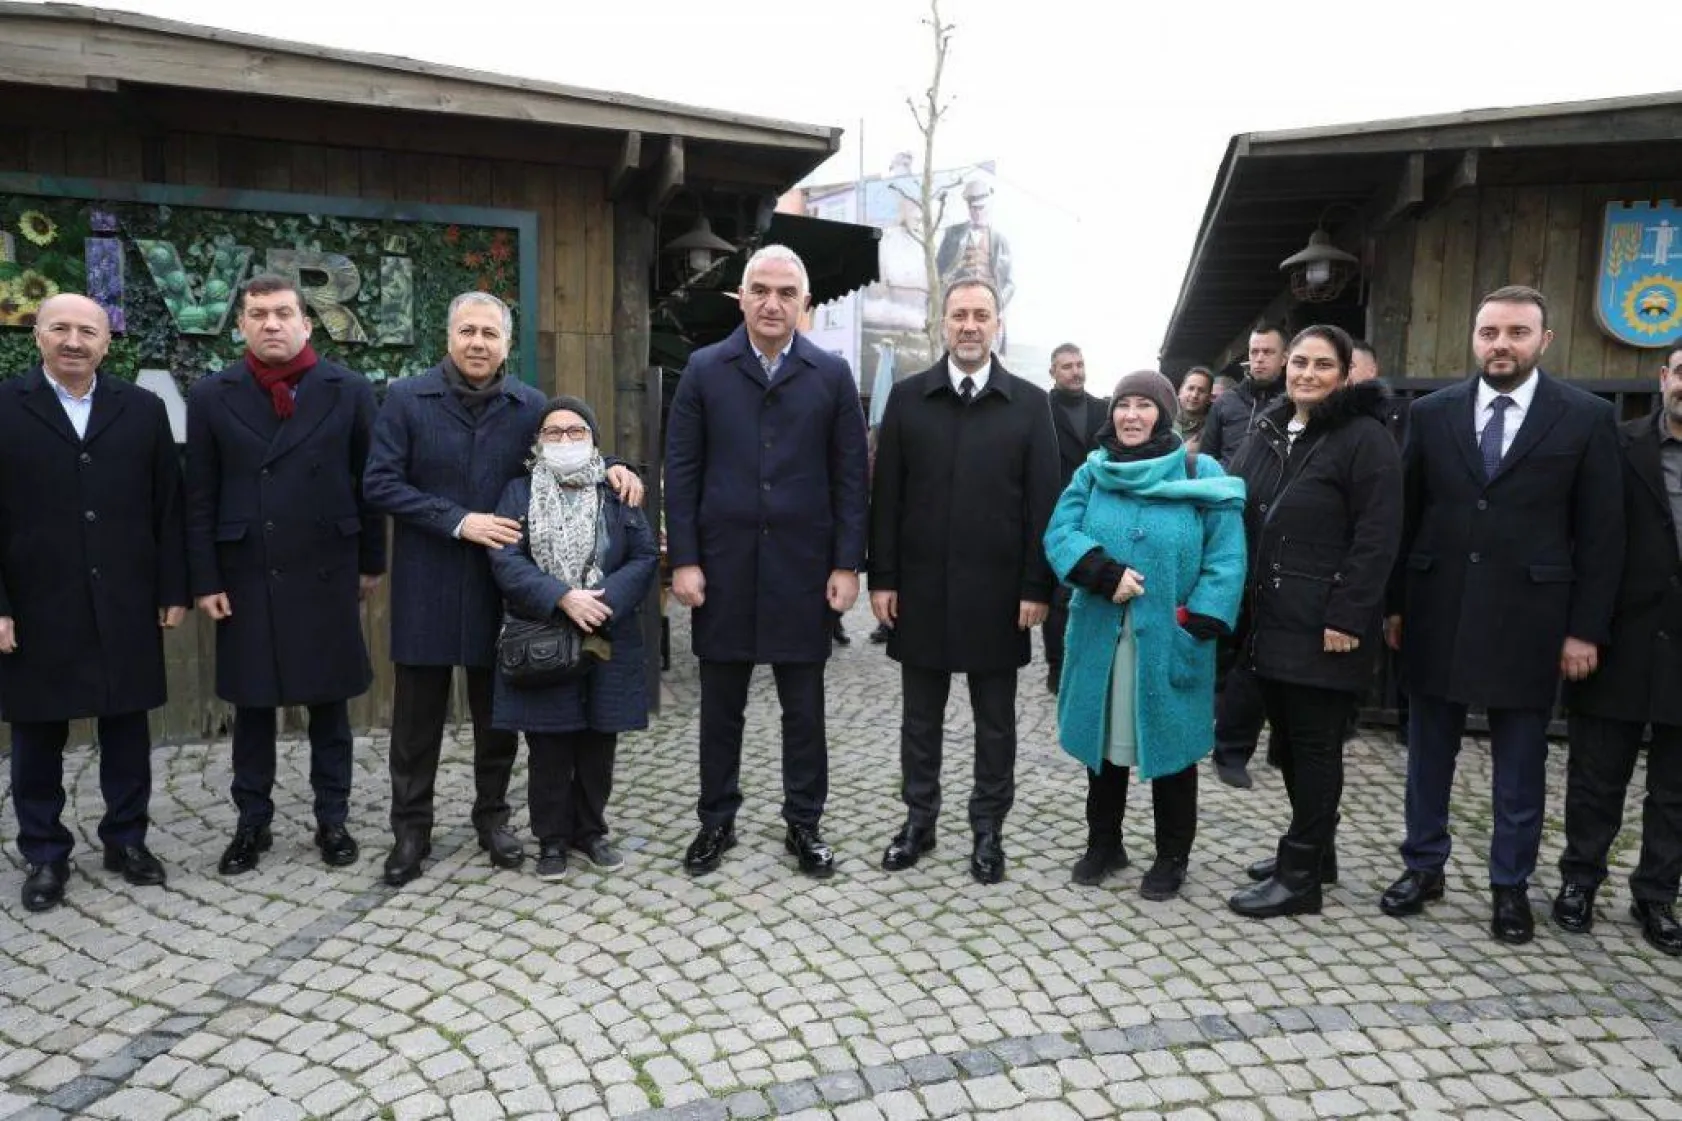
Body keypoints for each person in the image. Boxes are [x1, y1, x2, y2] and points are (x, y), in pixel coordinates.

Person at [363, 291, 643, 886]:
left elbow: (569, 448)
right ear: (448, 336)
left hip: (505, 599)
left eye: (490, 333)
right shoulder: (407, 399)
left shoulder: (527, 405)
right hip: (429, 586)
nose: (478, 343)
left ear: (506, 344)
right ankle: (410, 830)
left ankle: (493, 818)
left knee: (499, 721)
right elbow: (380, 484)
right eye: (467, 331)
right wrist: (460, 521)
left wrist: (618, 465)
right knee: (417, 724)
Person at [1381, 285, 1624, 945]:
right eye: (1490, 331)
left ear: (1544, 341)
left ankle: (1509, 885)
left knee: (1520, 765)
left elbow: (1602, 536)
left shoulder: (1584, 418)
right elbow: (1406, 514)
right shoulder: (1430, 414)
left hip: (1533, 617)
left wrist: (1584, 628)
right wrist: (1396, 603)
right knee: (1429, 752)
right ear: (1474, 337)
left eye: (1517, 332)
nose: (1501, 344)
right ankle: (1423, 865)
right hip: (1438, 609)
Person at [665, 245, 870, 879]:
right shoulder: (704, 369)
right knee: (720, 708)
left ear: (804, 304)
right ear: (742, 297)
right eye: (761, 290)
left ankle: (804, 824)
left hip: (803, 570)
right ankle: (716, 820)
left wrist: (846, 564)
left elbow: (850, 477)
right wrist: (685, 560)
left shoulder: (831, 375)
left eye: (786, 293)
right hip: (722, 567)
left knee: (803, 710)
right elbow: (683, 469)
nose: (772, 303)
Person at [185, 274, 386, 876]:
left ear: (305, 321)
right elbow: (200, 497)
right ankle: (253, 824)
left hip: (327, 565)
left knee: (329, 707)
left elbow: (368, 483)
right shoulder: (211, 395)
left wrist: (372, 561)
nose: (270, 323)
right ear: (242, 324)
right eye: (257, 314)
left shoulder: (347, 389)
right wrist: (205, 578)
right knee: (252, 708)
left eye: (282, 312)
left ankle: (333, 819)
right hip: (247, 572)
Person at [0, 294, 188, 912]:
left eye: (88, 331)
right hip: (35, 602)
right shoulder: (5, 406)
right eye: (61, 329)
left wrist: (171, 588)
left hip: (126, 599)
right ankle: (45, 854)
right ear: (38, 337)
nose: (74, 341)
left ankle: (126, 840)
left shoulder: (142, 408)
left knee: (127, 728)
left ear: (107, 343)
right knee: (36, 736)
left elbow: (168, 508)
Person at [869, 277, 1060, 884]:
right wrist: (884, 578)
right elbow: (887, 499)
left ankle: (987, 830)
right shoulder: (906, 399)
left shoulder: (1030, 404)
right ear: (941, 325)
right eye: (959, 315)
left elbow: (1044, 506)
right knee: (919, 721)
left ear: (997, 324)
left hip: (1000, 596)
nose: (970, 325)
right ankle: (919, 822)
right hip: (920, 591)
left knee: (995, 722)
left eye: (981, 314)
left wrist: (1037, 586)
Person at [1044, 370, 1246, 899]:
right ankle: (1104, 843)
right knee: (1102, 745)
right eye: (1123, 404)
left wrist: (1203, 618)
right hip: (1102, 637)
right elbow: (1060, 532)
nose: (1131, 415)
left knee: (1173, 751)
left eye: (1144, 405)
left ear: (1164, 412)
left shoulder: (1200, 472)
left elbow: (1226, 556)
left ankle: (1172, 856)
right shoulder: (1092, 473)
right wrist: (1102, 571)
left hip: (1170, 638)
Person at [1223, 325, 1403, 918]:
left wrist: (1349, 615)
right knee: (1292, 747)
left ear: (1347, 373)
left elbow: (1377, 537)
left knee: (1315, 746)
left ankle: (1300, 878)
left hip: (1325, 622)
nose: (1306, 373)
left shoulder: (1365, 438)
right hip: (1271, 617)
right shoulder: (1273, 428)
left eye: (1322, 365)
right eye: (1298, 362)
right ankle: (1315, 851)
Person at [486, 397, 658, 881]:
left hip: (606, 631)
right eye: (553, 432)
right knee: (549, 746)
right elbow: (506, 559)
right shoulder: (518, 493)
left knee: (598, 742)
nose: (564, 440)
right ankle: (552, 840)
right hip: (544, 632)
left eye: (575, 431)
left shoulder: (617, 492)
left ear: (594, 440)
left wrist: (602, 600)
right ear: (538, 444)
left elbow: (644, 556)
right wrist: (562, 597)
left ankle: (591, 831)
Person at [1551, 343, 1682, 956]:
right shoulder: (1618, 443)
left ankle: (1657, 894)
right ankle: (1580, 880)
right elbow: (1588, 541)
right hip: (1620, 639)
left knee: (1676, 790)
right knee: (1597, 777)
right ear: (1664, 378)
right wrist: (1582, 629)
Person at [1202, 326, 1290, 789]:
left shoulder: (1293, 407)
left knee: (1266, 644)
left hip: (1283, 537)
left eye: (1266, 352)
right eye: (1252, 352)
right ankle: (1218, 736)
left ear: (1284, 356)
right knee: (1225, 636)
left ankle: (1258, 745)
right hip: (1233, 528)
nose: (1257, 359)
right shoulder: (1227, 405)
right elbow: (1210, 459)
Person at [1044, 342, 1110, 695]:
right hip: (1056, 510)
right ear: (1053, 372)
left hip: (1099, 508)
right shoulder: (1040, 408)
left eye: (1079, 364)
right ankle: (1057, 666)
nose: (1075, 371)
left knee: (1090, 588)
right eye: (1067, 366)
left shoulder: (1104, 408)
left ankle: (1090, 660)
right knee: (1059, 592)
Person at [936, 179, 1016, 311]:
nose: (977, 213)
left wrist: (997, 304)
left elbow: (1010, 282)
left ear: (989, 206)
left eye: (981, 208)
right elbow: (938, 270)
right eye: (973, 208)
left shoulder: (999, 240)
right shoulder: (952, 234)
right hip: (958, 303)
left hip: (988, 304)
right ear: (968, 207)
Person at [1176, 366, 1214, 452]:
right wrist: (1182, 452)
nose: (1194, 395)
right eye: (1191, 388)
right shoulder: (1164, 423)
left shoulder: (1214, 427)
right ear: (1180, 391)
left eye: (1201, 390)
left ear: (1209, 397)